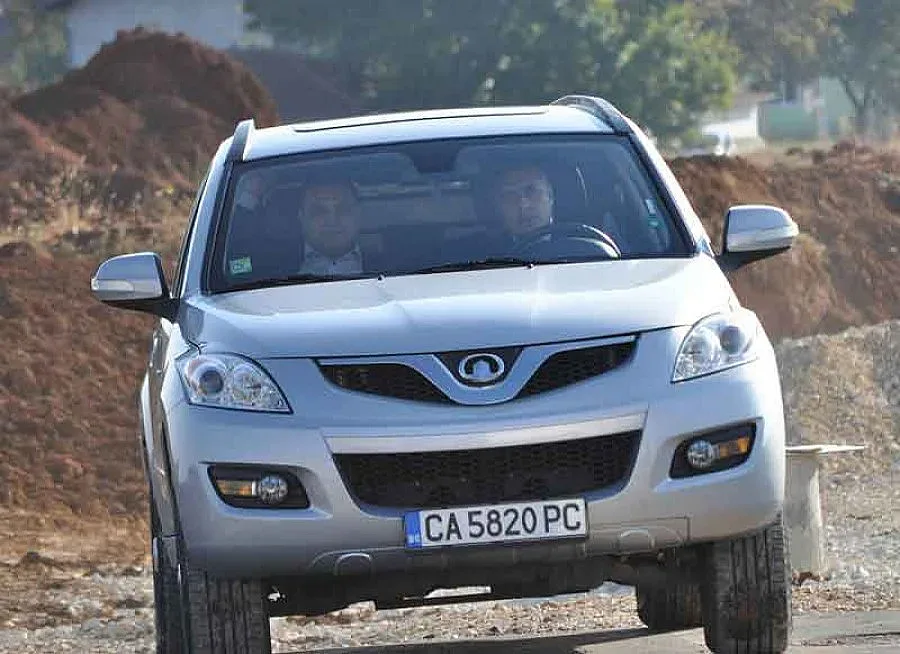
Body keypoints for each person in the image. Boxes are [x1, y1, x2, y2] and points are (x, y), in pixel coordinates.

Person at [296, 178, 365, 275]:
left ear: (358, 214)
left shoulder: (391, 266)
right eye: (319, 211)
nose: (332, 220)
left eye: (343, 209)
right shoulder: (271, 272)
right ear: (302, 218)